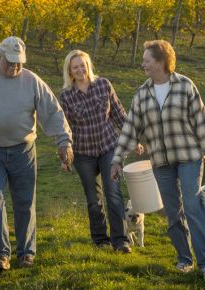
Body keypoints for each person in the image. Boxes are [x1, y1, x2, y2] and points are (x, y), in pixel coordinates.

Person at [0, 36, 73, 272]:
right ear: (0, 56)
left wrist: (64, 141)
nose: (16, 66)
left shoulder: (32, 81)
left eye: (19, 62)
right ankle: (0, 255)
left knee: (25, 201)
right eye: (11, 62)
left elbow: (53, 112)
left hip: (23, 151)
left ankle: (26, 253)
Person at [110, 40, 205, 277]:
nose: (143, 64)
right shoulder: (143, 94)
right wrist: (117, 159)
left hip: (189, 157)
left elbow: (202, 123)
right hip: (161, 162)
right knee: (173, 213)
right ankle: (185, 259)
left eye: (147, 60)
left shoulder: (185, 86)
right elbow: (130, 129)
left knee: (192, 207)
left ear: (161, 62)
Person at [59, 50, 143, 253]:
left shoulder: (104, 85)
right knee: (93, 199)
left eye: (83, 65)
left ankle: (120, 241)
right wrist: (65, 157)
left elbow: (119, 114)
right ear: (70, 72)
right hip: (83, 153)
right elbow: (65, 128)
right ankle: (100, 239)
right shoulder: (66, 96)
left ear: (89, 65)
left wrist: (133, 140)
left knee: (113, 193)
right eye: (75, 67)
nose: (80, 69)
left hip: (108, 148)